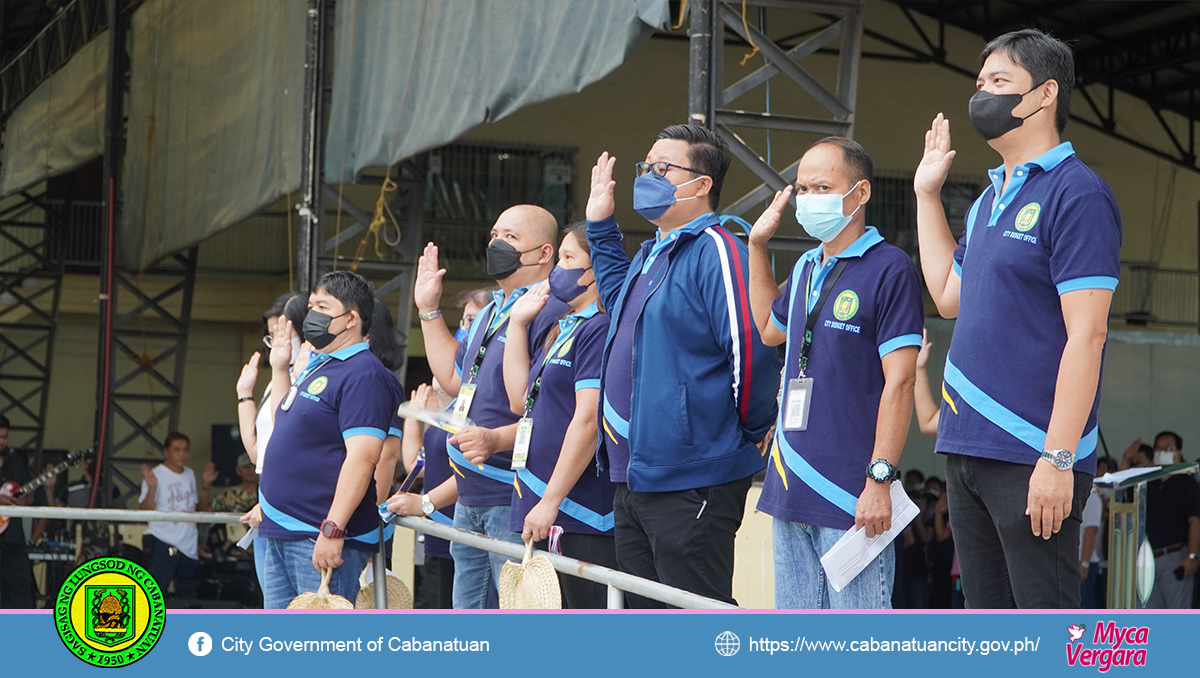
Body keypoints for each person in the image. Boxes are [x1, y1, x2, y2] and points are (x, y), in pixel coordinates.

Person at [913, 28, 1121, 608]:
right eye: (980, 84)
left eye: (1000, 82)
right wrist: (927, 197)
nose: (983, 96)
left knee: (1045, 637)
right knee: (991, 632)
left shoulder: (1077, 194)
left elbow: (1089, 332)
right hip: (967, 449)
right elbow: (950, 297)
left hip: (1032, 454)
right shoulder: (989, 198)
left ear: (1045, 94)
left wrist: (1057, 458)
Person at [585, 125, 781, 606]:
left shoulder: (717, 248)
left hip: (694, 477)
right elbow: (619, 300)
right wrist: (600, 226)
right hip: (636, 477)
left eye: (662, 168)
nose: (648, 176)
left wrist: (750, 425)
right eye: (646, 166)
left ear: (701, 184)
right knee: (647, 623)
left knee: (695, 616)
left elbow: (752, 345)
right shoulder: (654, 251)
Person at [747, 136, 923, 608]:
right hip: (789, 485)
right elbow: (768, 329)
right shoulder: (807, 265)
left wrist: (879, 480)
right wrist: (757, 247)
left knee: (856, 647)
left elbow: (900, 383)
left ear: (860, 193)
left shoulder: (891, 269)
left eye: (821, 187)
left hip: (851, 494)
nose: (807, 199)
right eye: (801, 188)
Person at [413, 205, 568, 609]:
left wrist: (496, 439)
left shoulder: (551, 310)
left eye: (511, 237)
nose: (497, 244)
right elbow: (454, 377)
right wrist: (428, 310)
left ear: (544, 253)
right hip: (470, 492)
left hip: (512, 495)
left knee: (514, 617)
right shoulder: (492, 309)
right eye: (495, 234)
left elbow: (553, 413)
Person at [257, 271, 404, 609]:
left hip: (317, 534)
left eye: (323, 307)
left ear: (351, 318)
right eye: (311, 306)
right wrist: (280, 368)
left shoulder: (364, 375)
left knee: (319, 647)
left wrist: (333, 530)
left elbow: (363, 458)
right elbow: (284, 419)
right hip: (283, 529)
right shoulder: (320, 366)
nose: (312, 316)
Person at [503, 222, 615, 609]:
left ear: (596, 270)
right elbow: (520, 400)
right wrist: (518, 323)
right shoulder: (562, 326)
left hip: (576, 511)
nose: (557, 271)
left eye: (569, 259)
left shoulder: (598, 329)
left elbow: (587, 421)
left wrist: (552, 500)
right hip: (537, 501)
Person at [387, 381, 459, 609]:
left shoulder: (469, 409)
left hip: (458, 531)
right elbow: (415, 464)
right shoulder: (446, 412)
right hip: (436, 533)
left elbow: (474, 474)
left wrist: (425, 502)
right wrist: (414, 416)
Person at [139, 431, 214, 599]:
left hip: (188, 546)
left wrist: (206, 486)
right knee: (156, 596)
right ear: (166, 452)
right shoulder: (155, 474)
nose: (182, 454)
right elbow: (144, 511)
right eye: (177, 449)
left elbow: (199, 510)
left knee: (188, 598)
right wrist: (152, 488)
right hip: (163, 541)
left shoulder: (189, 474)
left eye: (185, 450)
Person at [1144, 431, 1199, 609]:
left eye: (1167, 449)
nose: (1162, 453)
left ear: (1178, 453)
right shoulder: (1147, 483)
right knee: (1150, 618)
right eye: (1158, 449)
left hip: (1175, 556)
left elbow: (1195, 522)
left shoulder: (1186, 483)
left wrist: (1192, 556)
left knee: (1177, 615)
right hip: (1148, 559)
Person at [0, 415, 41, 608]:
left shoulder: (14, 463)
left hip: (14, 539)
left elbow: (29, 496)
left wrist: (24, 500)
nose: (3, 442)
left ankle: (23, 635)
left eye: (5, 437)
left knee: (21, 588)